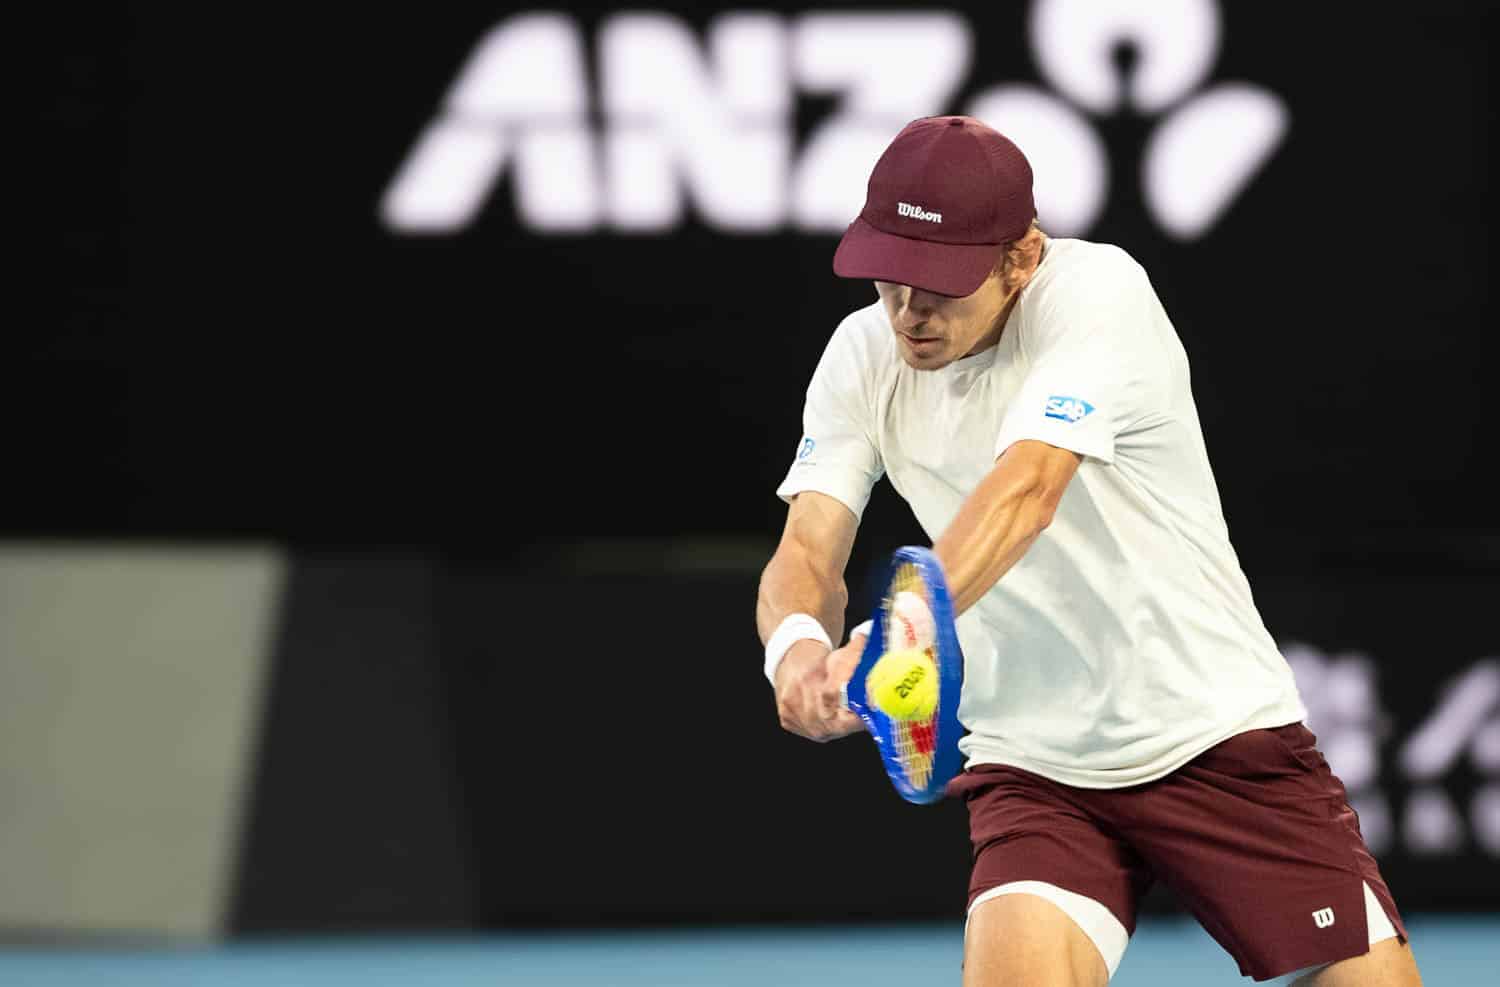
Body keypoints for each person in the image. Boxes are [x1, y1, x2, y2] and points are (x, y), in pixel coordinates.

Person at [755, 116, 1424, 986]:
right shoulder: (861, 354)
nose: (910, 314)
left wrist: (904, 629)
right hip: (1037, 765)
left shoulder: (1098, 294)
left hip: (1213, 733)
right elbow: (809, 542)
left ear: (1020, 258)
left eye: (941, 284)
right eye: (892, 278)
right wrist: (797, 654)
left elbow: (1028, 490)